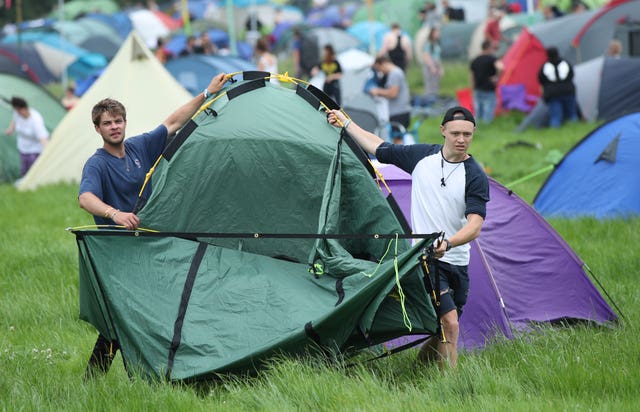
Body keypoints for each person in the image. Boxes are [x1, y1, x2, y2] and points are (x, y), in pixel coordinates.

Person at [79, 72, 229, 379]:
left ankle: (153, 372)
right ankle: (101, 377)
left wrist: (207, 92)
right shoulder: (97, 163)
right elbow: (85, 198)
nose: (115, 127)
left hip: (150, 246)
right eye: (107, 123)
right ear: (97, 129)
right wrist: (113, 214)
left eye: (118, 120)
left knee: (153, 309)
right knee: (121, 316)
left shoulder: (138, 147)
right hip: (118, 253)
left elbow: (173, 122)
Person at [327, 106, 489, 370]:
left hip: (457, 260)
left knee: (442, 332)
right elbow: (378, 146)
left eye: (467, 135)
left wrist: (449, 243)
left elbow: (475, 225)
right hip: (427, 261)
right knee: (451, 324)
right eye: (456, 133)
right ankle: (454, 387)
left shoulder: (475, 175)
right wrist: (346, 124)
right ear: (443, 131)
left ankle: (418, 371)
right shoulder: (421, 157)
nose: (461, 139)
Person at [368, 56, 412, 144]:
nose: (380, 72)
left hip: (399, 112)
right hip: (401, 111)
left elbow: (393, 93)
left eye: (379, 69)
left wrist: (377, 91)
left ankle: (398, 157)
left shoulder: (394, 74)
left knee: (397, 140)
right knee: (398, 138)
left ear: (383, 63)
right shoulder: (397, 72)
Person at [4, 96, 49, 178]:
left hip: (34, 150)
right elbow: (14, 120)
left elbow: (43, 138)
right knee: (24, 170)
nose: (17, 113)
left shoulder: (36, 120)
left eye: (18, 111)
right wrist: (10, 129)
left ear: (24, 109)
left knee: (33, 172)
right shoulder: (17, 114)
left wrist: (48, 150)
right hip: (23, 148)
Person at [538, 46, 578, 128]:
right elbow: (572, 75)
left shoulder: (544, 66)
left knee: (556, 116)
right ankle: (575, 129)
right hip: (568, 90)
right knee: (572, 114)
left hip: (553, 93)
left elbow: (541, 80)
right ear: (558, 53)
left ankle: (555, 130)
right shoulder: (566, 63)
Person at [470, 39, 503, 123]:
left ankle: (477, 128)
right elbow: (501, 67)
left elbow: (472, 76)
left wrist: (473, 88)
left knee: (478, 112)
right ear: (489, 48)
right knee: (488, 113)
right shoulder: (492, 59)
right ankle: (486, 127)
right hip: (489, 89)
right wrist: (496, 77)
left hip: (478, 89)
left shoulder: (475, 60)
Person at [421, 26, 444, 101]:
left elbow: (438, 57)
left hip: (436, 63)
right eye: (436, 32)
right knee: (430, 84)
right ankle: (429, 100)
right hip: (430, 64)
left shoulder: (437, 43)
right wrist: (432, 67)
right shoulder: (428, 43)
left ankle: (435, 99)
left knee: (436, 84)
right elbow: (426, 56)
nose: (438, 34)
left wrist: (440, 68)